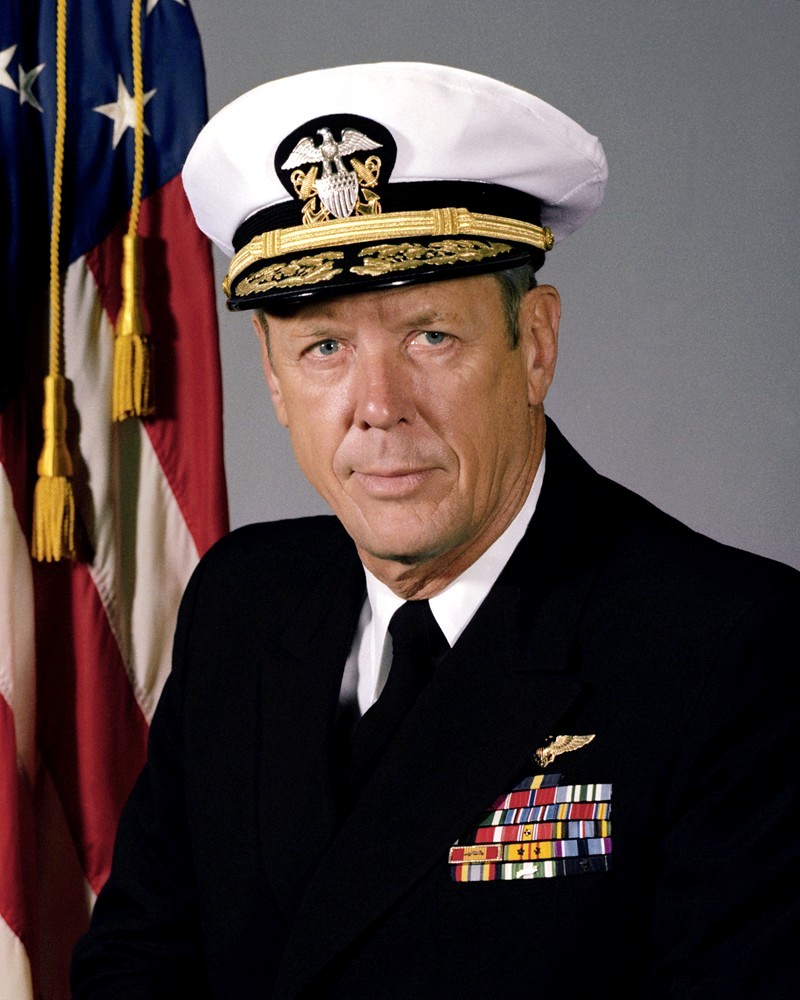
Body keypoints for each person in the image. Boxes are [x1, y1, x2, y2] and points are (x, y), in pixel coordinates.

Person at [71, 62, 799, 999]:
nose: (379, 406)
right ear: (272, 376)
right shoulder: (243, 603)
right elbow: (138, 965)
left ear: (535, 345)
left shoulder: (728, 650)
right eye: (325, 348)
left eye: (430, 337)